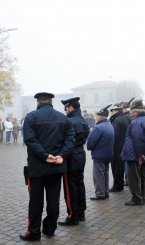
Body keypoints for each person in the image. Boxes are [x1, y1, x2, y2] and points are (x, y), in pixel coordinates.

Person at [20, 92, 75, 242]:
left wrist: (45, 156)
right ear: (51, 101)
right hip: (57, 165)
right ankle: (50, 229)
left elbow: (30, 140)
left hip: (37, 166)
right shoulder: (63, 118)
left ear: (37, 102)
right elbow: (71, 139)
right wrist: (61, 155)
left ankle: (34, 232)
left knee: (36, 201)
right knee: (53, 199)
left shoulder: (31, 117)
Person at [58, 97, 90, 226]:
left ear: (70, 107)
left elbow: (64, 139)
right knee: (79, 185)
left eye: (66, 108)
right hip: (81, 153)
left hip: (71, 155)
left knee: (70, 187)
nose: (65, 111)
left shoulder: (69, 121)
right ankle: (81, 213)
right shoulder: (83, 120)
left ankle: (72, 216)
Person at [121, 100, 145, 205]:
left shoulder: (136, 122)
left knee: (134, 177)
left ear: (136, 112)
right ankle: (142, 196)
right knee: (141, 176)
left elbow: (138, 139)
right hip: (141, 153)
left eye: (131, 110)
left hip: (135, 154)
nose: (129, 112)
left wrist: (140, 154)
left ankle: (136, 198)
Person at [87, 105, 114, 200]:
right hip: (107, 154)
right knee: (105, 174)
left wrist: (89, 146)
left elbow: (90, 142)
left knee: (98, 175)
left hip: (99, 155)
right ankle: (105, 192)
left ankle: (100, 193)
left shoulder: (98, 127)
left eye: (97, 115)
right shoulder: (109, 126)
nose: (95, 117)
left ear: (101, 116)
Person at [109, 103, 130, 192]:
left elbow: (114, 135)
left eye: (113, 111)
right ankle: (119, 184)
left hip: (117, 148)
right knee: (120, 167)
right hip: (122, 146)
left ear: (117, 111)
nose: (111, 113)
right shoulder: (123, 118)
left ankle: (117, 185)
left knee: (116, 167)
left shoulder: (117, 120)